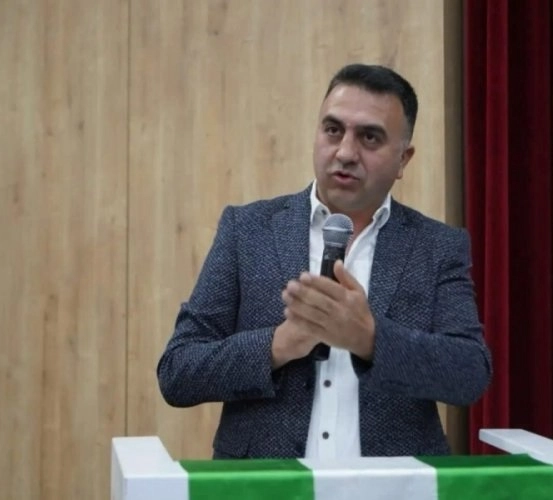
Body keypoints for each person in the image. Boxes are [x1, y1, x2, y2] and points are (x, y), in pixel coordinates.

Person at [157, 64, 492, 460]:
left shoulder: (436, 246)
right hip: (268, 484)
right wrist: (278, 345)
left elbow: (469, 373)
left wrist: (369, 338)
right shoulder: (247, 230)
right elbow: (178, 371)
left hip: (392, 484)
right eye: (333, 130)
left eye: (369, 137)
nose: (345, 152)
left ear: (404, 159)